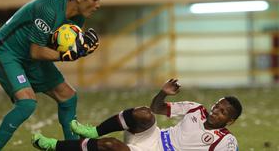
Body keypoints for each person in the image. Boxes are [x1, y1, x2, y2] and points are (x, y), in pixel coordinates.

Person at [0, 0, 104, 150]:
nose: (98, 5)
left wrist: (81, 50)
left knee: (68, 97)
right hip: (6, 53)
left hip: (29, 58)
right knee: (26, 104)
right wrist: (68, 55)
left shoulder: (78, 19)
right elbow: (37, 51)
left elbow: (59, 49)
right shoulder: (49, 9)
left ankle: (73, 148)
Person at [32, 78, 242, 151]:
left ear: (230, 121)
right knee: (144, 113)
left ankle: (52, 145)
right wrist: (163, 93)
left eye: (223, 112)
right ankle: (93, 131)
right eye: (217, 106)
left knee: (110, 146)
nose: (216, 111)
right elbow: (157, 108)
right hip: (155, 136)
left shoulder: (225, 141)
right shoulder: (196, 109)